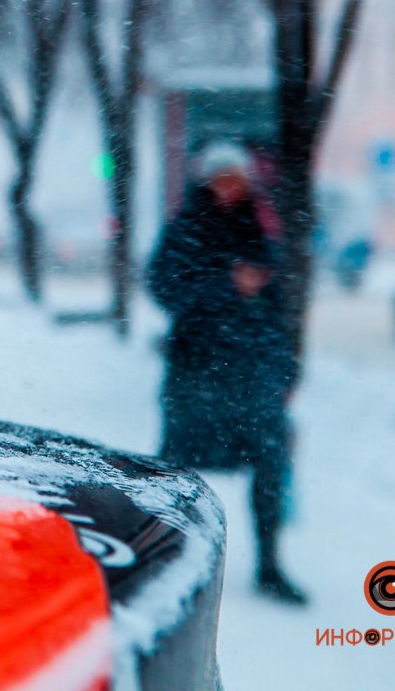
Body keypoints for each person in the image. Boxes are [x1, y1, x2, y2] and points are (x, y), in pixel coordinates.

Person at [147, 141, 308, 606]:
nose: (231, 188)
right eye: (222, 179)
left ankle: (270, 564)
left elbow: (279, 309)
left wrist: (287, 372)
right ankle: (163, 552)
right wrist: (226, 285)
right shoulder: (184, 230)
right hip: (198, 370)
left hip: (255, 372)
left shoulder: (259, 229)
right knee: (175, 467)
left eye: (237, 178)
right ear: (207, 181)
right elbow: (163, 288)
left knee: (271, 465)